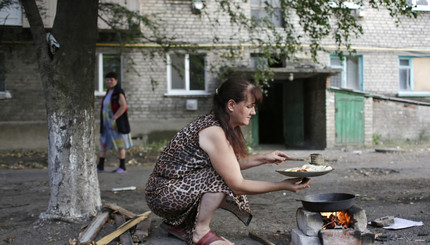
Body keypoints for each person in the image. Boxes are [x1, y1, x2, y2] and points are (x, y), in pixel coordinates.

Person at [145, 78, 311, 245]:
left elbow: (231, 162)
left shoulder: (221, 125)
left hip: (170, 190)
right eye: (249, 106)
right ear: (231, 105)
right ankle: (200, 232)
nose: (253, 112)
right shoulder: (214, 131)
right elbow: (237, 185)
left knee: (221, 173)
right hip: (163, 195)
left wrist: (266, 157)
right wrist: (283, 185)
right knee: (220, 177)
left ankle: (180, 226)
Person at [97, 72, 133, 173]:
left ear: (116, 81)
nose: (109, 82)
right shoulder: (108, 91)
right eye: (107, 80)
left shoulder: (118, 92)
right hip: (106, 124)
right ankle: (100, 166)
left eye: (111, 80)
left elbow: (123, 106)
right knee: (103, 143)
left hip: (115, 124)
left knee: (120, 143)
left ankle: (122, 166)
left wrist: (115, 116)